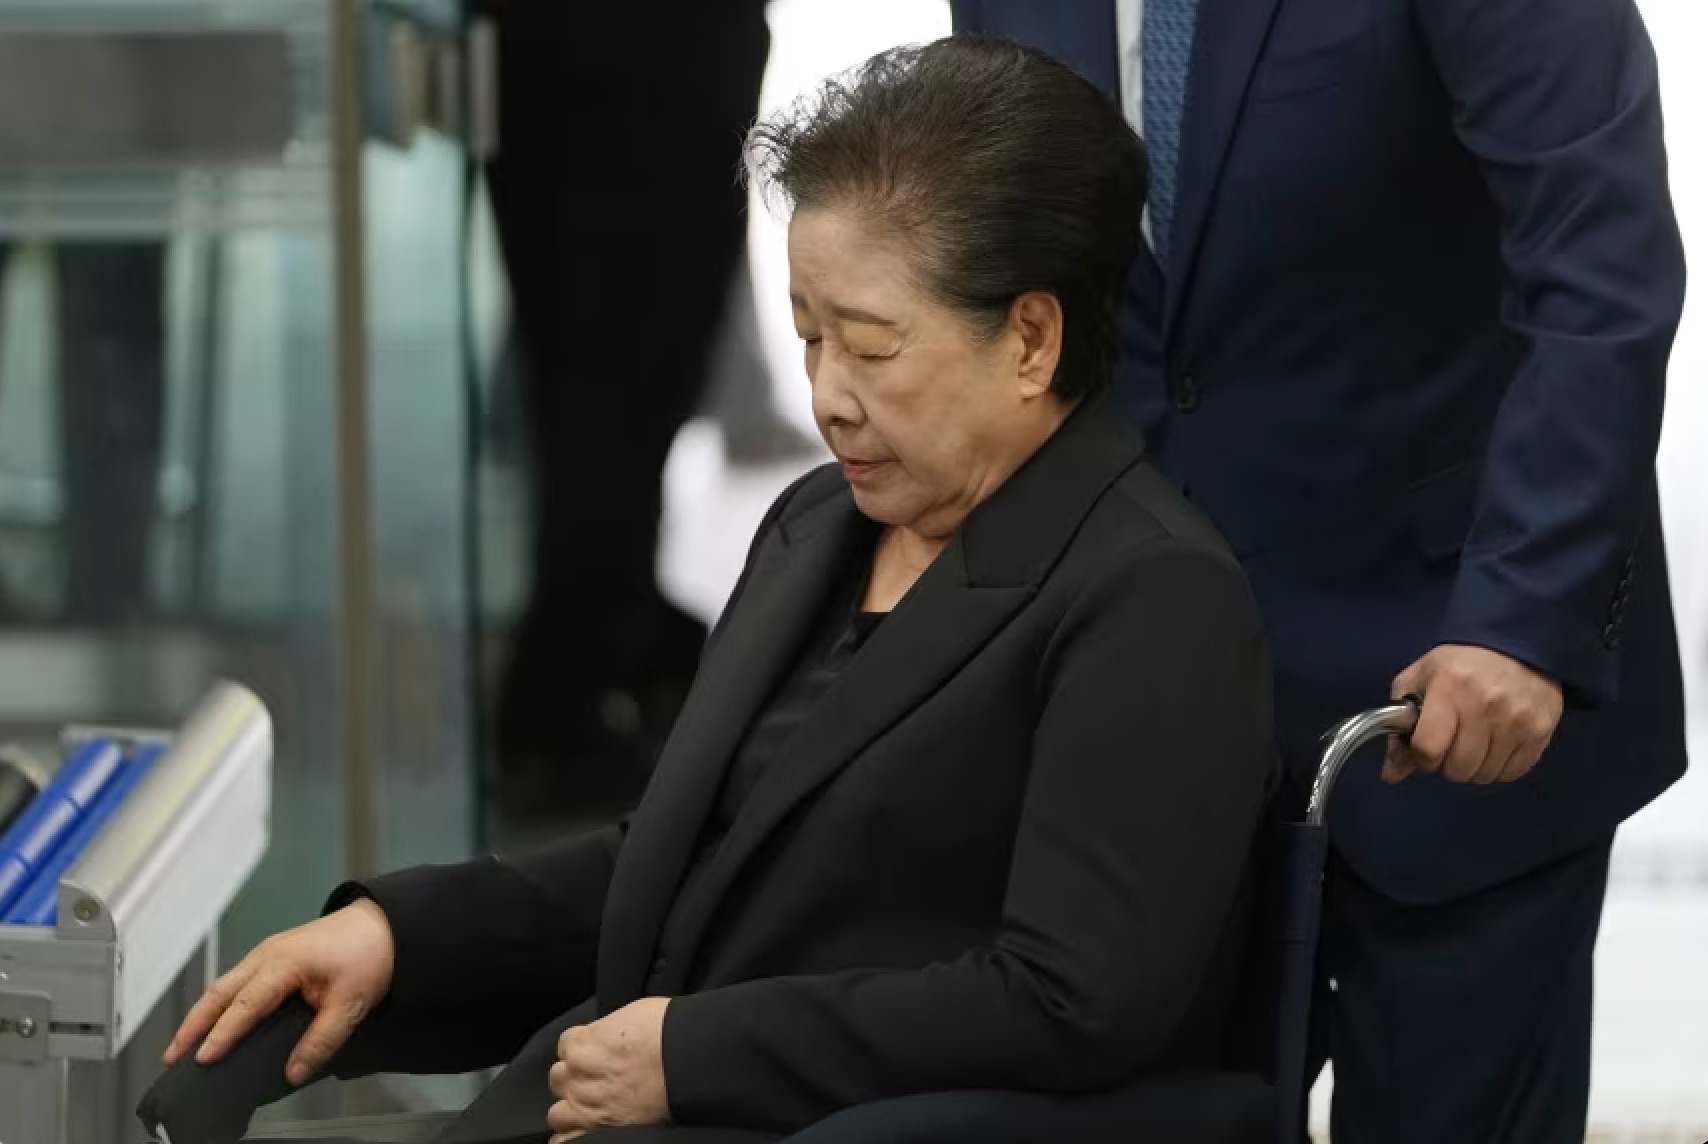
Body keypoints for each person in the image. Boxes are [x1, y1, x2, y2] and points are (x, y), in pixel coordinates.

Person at [163, 39, 1274, 1143]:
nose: (827, 395)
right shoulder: (816, 527)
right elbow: (684, 870)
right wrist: (402, 938)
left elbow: (1069, 1003)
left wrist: (695, 1056)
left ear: (1031, 339)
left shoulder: (1148, 597)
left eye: (872, 348)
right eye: (808, 337)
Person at [950, 2, 1687, 1140]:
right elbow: (1000, 258)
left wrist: (1524, 615)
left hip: (1452, 682)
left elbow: (1601, 266)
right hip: (1144, 707)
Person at [482, 0, 774, 819]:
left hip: (531, 34)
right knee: (633, 361)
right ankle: (561, 703)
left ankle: (615, 634)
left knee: (574, 358)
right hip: (650, 38)